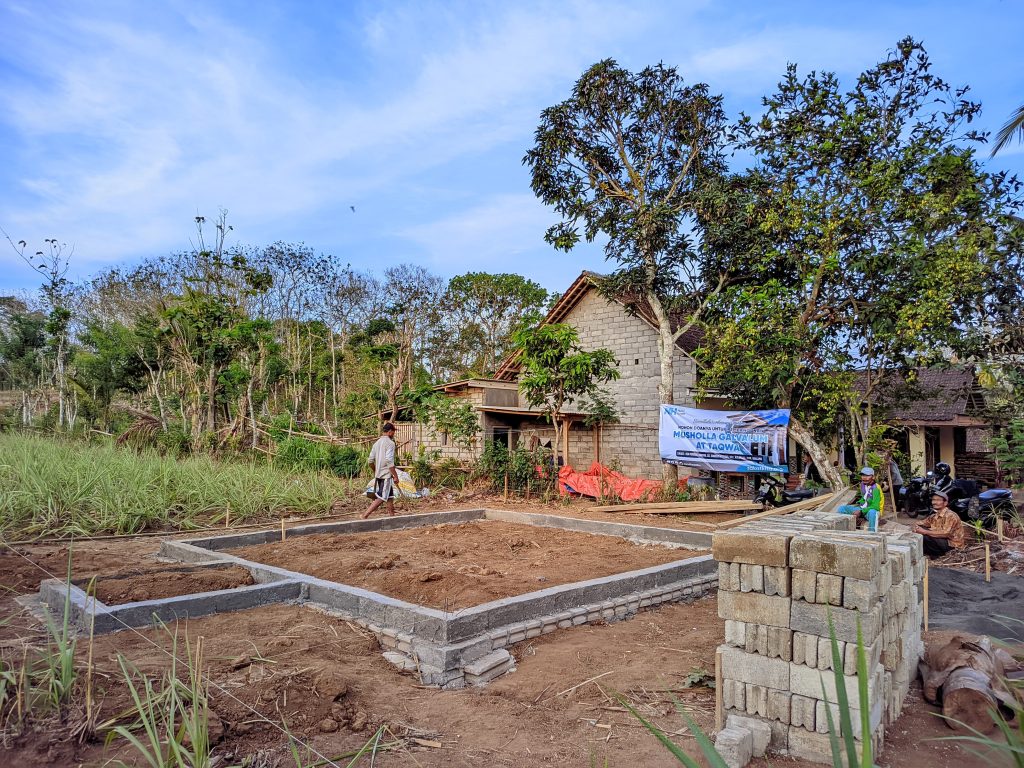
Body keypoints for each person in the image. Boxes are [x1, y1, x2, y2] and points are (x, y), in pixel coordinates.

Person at [362, 422, 399, 519]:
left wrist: (375, 470)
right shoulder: (390, 443)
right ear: (390, 431)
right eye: (393, 432)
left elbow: (370, 460)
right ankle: (365, 515)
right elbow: (389, 461)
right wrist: (395, 475)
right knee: (382, 497)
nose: (393, 434)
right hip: (386, 475)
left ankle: (392, 517)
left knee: (389, 496)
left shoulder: (376, 443)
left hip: (379, 474)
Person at [913, 490, 965, 558]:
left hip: (952, 545)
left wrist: (924, 532)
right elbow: (920, 523)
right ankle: (929, 554)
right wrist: (915, 526)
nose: (934, 502)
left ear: (945, 503)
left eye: (938, 500)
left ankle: (936, 555)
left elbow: (946, 533)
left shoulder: (950, 515)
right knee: (920, 530)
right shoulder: (934, 516)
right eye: (933, 500)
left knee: (925, 535)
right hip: (941, 542)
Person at [837, 467, 883, 532]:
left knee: (873, 512)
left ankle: (872, 534)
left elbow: (876, 506)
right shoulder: (862, 485)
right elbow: (864, 498)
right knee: (842, 508)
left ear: (873, 477)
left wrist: (861, 512)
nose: (864, 477)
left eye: (867, 475)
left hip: (872, 510)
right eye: (863, 475)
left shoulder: (876, 488)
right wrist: (859, 504)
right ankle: (842, 531)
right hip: (862, 508)